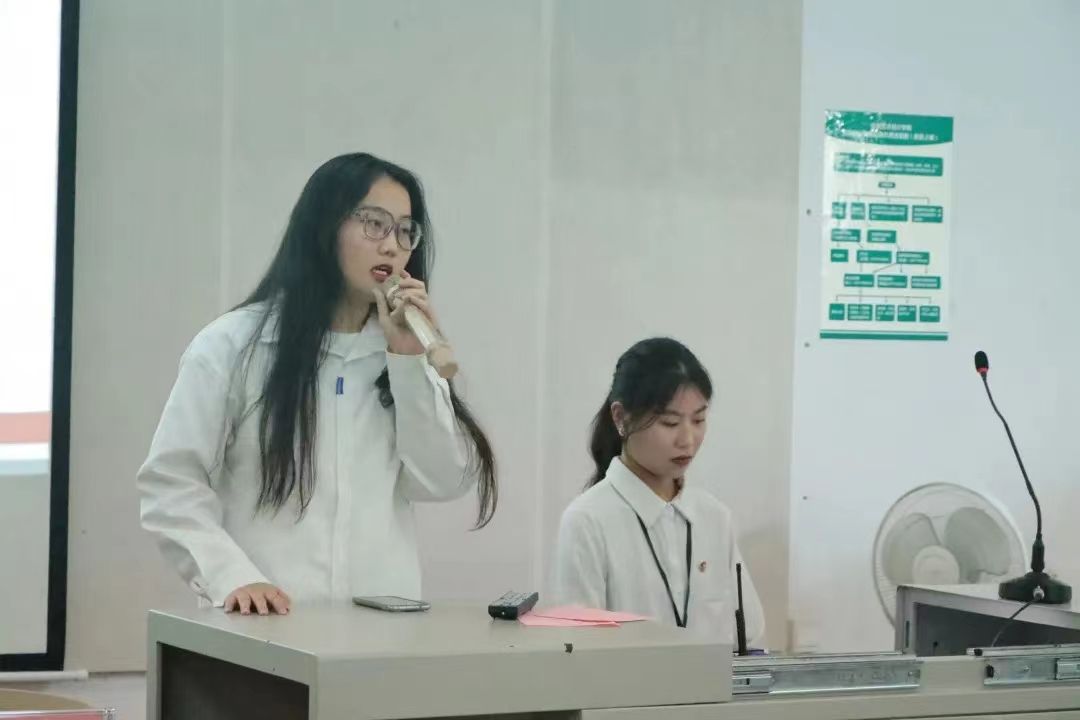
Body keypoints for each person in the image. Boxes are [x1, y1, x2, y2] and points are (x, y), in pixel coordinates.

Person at [138, 152, 496, 615]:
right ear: (324, 227)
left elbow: (442, 481)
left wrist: (409, 362)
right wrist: (232, 577)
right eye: (375, 224)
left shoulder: (403, 352)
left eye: (405, 230)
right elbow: (171, 483)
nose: (392, 246)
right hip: (266, 624)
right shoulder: (234, 345)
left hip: (381, 629)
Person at [555, 337, 765, 647]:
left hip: (714, 681)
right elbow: (578, 653)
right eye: (669, 423)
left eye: (699, 419)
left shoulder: (714, 517)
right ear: (621, 418)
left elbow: (751, 640)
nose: (688, 440)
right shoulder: (587, 522)